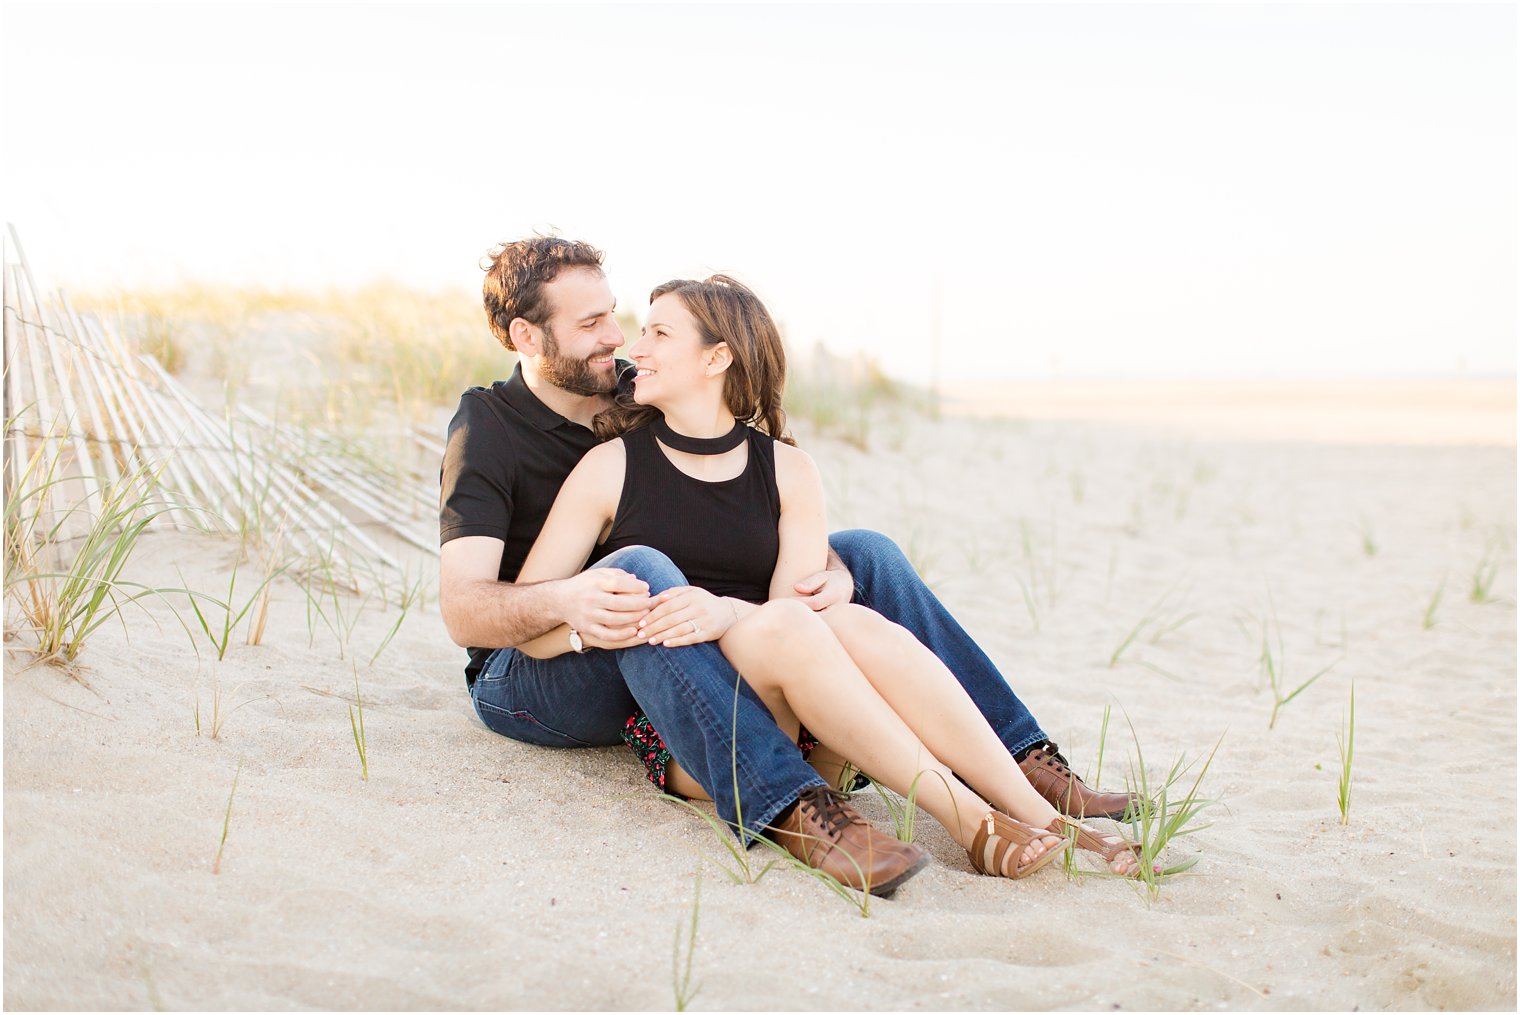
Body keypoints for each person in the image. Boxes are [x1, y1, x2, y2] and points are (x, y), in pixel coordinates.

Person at [438, 237, 1138, 895]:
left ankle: (1023, 766)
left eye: (624, 321)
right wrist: (569, 604)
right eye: (593, 323)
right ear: (527, 336)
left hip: (677, 625)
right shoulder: (490, 429)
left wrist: (827, 571)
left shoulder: (631, 388)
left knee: (868, 553)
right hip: (541, 663)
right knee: (645, 570)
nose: (620, 341)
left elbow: (736, 488)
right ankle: (796, 801)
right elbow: (466, 609)